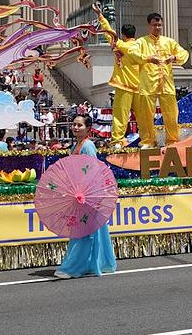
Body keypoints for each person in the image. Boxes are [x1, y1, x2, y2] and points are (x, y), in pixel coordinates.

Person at [53, 114, 117, 279]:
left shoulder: (87, 146)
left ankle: (74, 267)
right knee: (87, 231)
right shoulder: (76, 146)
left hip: (87, 195)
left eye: (79, 125)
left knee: (83, 232)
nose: (75, 127)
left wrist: (89, 194)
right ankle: (92, 263)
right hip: (79, 194)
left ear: (88, 128)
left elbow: (94, 172)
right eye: (74, 125)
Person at [129, 13, 189, 146]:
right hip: (148, 84)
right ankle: (148, 140)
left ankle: (172, 140)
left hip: (166, 84)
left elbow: (184, 53)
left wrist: (174, 58)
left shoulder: (169, 42)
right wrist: (148, 59)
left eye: (159, 25)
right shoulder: (141, 42)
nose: (157, 27)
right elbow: (132, 54)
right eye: (154, 25)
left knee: (171, 114)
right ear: (149, 26)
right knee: (146, 115)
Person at [93, 4, 146, 149]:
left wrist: (100, 15)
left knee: (120, 116)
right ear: (135, 34)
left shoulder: (119, 44)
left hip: (124, 85)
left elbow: (108, 32)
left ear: (123, 34)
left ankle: (117, 141)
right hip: (140, 86)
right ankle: (147, 140)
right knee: (143, 116)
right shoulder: (141, 47)